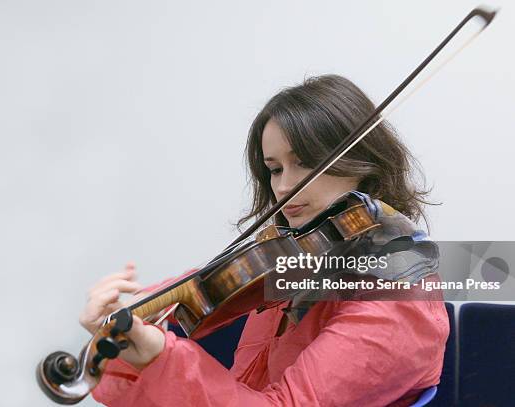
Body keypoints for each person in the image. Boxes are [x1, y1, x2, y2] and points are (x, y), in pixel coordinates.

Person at [79, 75, 449, 406]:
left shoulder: (397, 299)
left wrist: (160, 356)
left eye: (304, 163)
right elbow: (203, 295)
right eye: (274, 169)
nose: (284, 187)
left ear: (360, 162)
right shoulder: (296, 260)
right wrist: (130, 312)